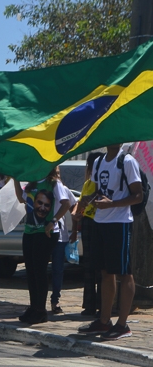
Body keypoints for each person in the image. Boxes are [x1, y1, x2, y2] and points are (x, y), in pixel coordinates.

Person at [78, 143, 143, 340]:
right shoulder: (99, 161)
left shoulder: (127, 161)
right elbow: (100, 191)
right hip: (100, 221)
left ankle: (122, 325)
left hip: (119, 223)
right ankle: (104, 321)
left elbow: (138, 196)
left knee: (124, 273)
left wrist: (112, 204)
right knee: (105, 272)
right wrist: (88, 199)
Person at [13, 169, 70, 324]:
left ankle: (41, 310)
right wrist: (16, 178)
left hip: (46, 233)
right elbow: (21, 198)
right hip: (30, 231)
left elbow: (66, 204)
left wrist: (53, 221)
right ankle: (33, 307)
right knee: (31, 271)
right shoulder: (31, 184)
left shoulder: (54, 184)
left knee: (39, 270)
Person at [74, 152, 104, 316]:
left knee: (99, 266)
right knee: (88, 265)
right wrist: (78, 213)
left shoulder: (102, 183)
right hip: (87, 222)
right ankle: (89, 304)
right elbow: (80, 204)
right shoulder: (87, 183)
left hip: (98, 223)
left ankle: (101, 305)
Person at [50, 165, 78, 314]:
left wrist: (74, 229)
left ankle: (55, 300)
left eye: (59, 173)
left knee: (58, 269)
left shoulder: (62, 188)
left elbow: (73, 205)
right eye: (55, 173)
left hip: (60, 235)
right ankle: (39, 301)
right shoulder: (44, 188)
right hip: (43, 233)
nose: (57, 176)